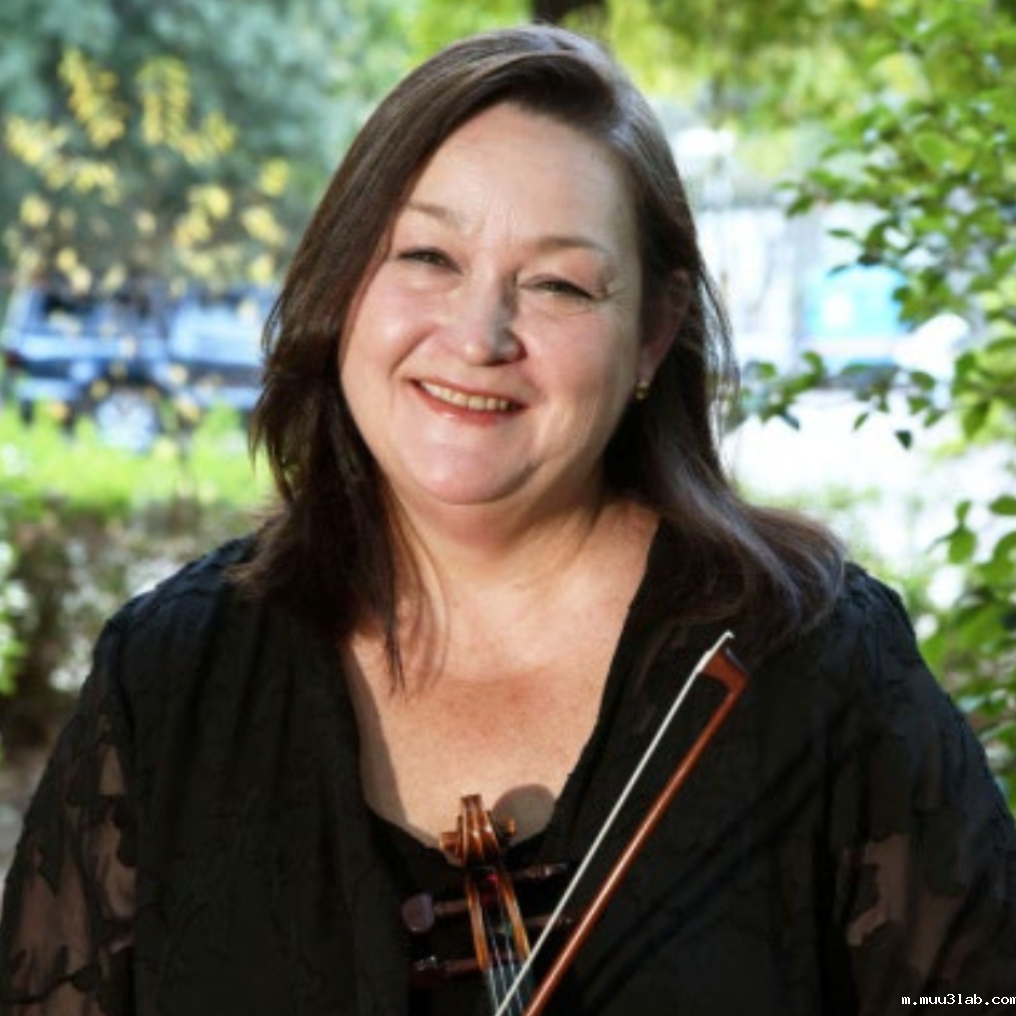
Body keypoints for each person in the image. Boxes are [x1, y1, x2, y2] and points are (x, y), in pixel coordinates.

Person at [2, 23, 1014, 1016]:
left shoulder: (819, 666)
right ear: (344, 282)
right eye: (427, 256)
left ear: (652, 333)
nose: (478, 334)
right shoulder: (171, 678)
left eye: (558, 284)